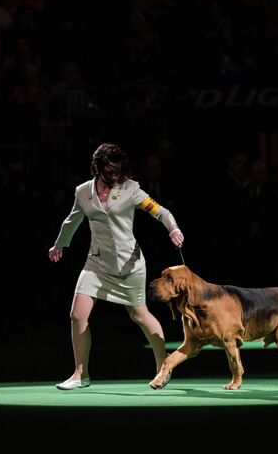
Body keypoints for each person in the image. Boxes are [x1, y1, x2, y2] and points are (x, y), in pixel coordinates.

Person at [48, 142, 184, 390]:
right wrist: (60, 245)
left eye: (117, 171)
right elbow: (72, 221)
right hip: (96, 263)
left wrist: (173, 228)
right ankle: (81, 375)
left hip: (129, 265)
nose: (114, 176)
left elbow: (160, 211)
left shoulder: (130, 189)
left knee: (139, 315)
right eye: (109, 171)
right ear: (97, 168)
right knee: (77, 315)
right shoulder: (83, 192)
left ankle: (163, 367)